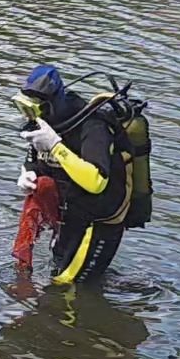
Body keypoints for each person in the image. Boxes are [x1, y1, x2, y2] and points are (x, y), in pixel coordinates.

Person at [15, 64, 132, 283]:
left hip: (99, 221)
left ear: (51, 105)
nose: (29, 116)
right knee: (58, 269)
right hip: (69, 215)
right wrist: (27, 174)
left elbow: (96, 181)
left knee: (69, 284)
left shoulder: (92, 126)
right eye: (23, 108)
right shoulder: (44, 124)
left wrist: (56, 147)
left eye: (33, 109)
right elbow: (35, 161)